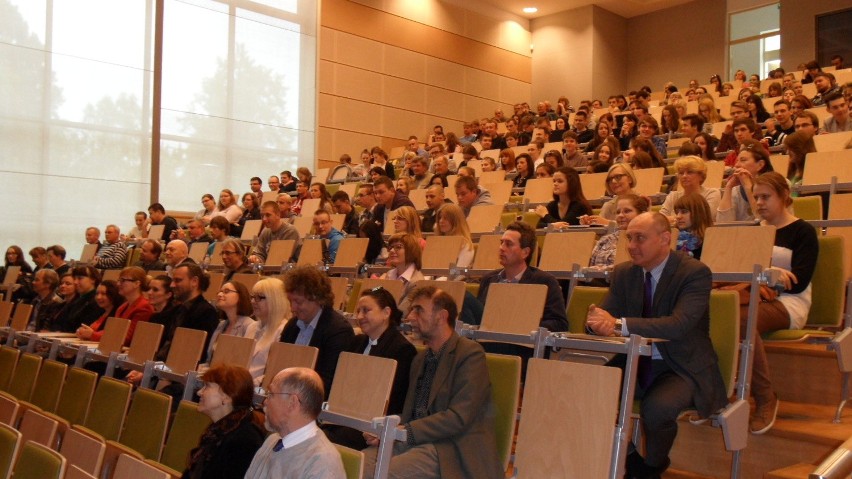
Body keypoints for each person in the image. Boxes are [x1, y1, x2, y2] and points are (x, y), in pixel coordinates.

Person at [586, 212, 727, 478]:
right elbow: (606, 315)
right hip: (636, 360)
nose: (631, 245)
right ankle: (632, 460)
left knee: (657, 409)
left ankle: (654, 465)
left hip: (680, 365)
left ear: (665, 239)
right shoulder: (624, 273)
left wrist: (618, 324)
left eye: (640, 238)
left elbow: (678, 325)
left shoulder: (694, 272)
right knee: (585, 391)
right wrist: (596, 322)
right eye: (629, 237)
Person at [362, 286, 502, 479]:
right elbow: (410, 415)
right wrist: (386, 429)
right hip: (415, 441)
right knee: (360, 465)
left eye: (418, 310)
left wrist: (407, 431)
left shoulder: (470, 354)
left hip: (450, 447)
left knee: (384, 474)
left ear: (442, 316)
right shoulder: (420, 359)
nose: (410, 316)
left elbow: (458, 417)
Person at [324, 287, 416, 450]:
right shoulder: (357, 342)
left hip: (370, 426)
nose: (359, 316)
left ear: (386, 313)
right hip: (343, 417)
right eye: (358, 311)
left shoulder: (402, 350)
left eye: (366, 311)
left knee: (322, 441)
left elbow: (396, 401)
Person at [246, 368, 345, 479]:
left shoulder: (323, 464)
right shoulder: (272, 441)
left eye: (271, 394)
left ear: (292, 403)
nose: (265, 402)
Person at [477, 221, 568, 333]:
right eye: (501, 243)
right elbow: (479, 318)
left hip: (523, 346)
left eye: (509, 244)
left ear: (525, 252)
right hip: (488, 342)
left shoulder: (545, 282)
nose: (501, 248)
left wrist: (519, 324)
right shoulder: (489, 279)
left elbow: (559, 324)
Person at [280, 266, 354, 397]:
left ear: (316, 298)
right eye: (290, 301)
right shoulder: (291, 326)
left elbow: (328, 382)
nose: (292, 308)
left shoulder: (338, 331)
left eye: (298, 302)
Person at [185, 364, 265, 479]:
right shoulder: (219, 430)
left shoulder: (245, 439)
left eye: (207, 386)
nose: (199, 392)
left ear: (227, 397)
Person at [164, 264, 220, 363]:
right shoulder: (174, 311)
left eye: (177, 280)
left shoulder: (206, 313)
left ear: (194, 281)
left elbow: (197, 354)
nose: (172, 285)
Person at [717, 139, 774, 222]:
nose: (737, 165)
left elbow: (765, 222)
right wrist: (728, 187)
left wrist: (748, 186)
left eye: (743, 160)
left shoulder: (776, 185)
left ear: (760, 165)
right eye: (737, 161)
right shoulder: (735, 191)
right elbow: (723, 224)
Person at [245, 278, 288, 385]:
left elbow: (275, 372)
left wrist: (247, 385)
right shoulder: (251, 326)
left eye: (259, 297)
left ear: (275, 300)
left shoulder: (283, 330)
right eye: (253, 297)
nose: (253, 301)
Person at [589, 194, 650, 268]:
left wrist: (605, 270)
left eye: (627, 211)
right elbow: (589, 270)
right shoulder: (605, 240)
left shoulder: (647, 241)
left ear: (642, 215)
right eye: (618, 212)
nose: (620, 215)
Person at [659, 156, 721, 220]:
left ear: (701, 176)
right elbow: (660, 220)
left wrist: (673, 219)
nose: (684, 176)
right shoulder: (673, 196)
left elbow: (705, 218)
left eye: (690, 172)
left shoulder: (712, 193)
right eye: (681, 173)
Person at [208, 281, 254, 363]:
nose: (219, 295)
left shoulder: (249, 325)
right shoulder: (221, 325)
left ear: (240, 296)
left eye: (226, 291)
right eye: (220, 292)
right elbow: (209, 359)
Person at [380, 233, 425, 313]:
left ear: (411, 250)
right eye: (390, 247)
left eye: (398, 247)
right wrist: (377, 286)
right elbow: (375, 297)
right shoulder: (389, 274)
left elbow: (401, 313)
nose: (392, 251)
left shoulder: (417, 282)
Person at [53, 265, 103, 333]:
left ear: (93, 280)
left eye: (80, 278)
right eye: (75, 279)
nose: (75, 282)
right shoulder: (77, 300)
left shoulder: (96, 301)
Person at [434, 204, 475, 271]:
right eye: (440, 218)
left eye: (445, 218)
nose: (441, 221)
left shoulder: (465, 244)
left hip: (453, 279)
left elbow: (459, 271)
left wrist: (441, 279)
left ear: (455, 221)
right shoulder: (437, 242)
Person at [673, 193, 714, 259]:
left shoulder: (711, 241)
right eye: (677, 212)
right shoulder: (671, 239)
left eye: (684, 212)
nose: (678, 216)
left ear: (698, 213)